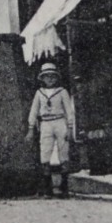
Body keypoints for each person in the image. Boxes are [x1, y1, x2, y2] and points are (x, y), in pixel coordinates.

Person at [25, 61, 76, 198]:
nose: (50, 79)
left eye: (52, 76)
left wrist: (70, 128)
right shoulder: (39, 93)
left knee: (63, 153)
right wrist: (31, 129)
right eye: (47, 76)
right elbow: (34, 111)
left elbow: (69, 111)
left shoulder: (62, 91)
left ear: (57, 78)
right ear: (42, 78)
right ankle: (48, 189)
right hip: (46, 123)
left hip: (60, 122)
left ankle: (64, 188)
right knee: (45, 154)